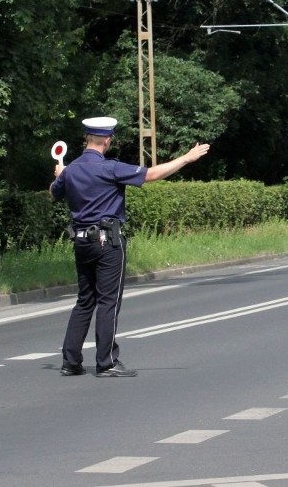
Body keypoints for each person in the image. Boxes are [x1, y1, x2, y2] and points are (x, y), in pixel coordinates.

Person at [49, 116, 210, 377]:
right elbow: (152, 174)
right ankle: (107, 363)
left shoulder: (71, 170)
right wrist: (186, 158)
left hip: (80, 242)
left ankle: (70, 361)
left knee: (84, 301)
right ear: (108, 140)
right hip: (107, 241)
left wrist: (60, 174)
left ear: (87, 139)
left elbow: (53, 193)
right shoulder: (110, 168)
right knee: (108, 302)